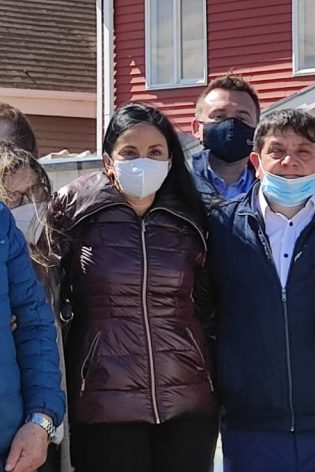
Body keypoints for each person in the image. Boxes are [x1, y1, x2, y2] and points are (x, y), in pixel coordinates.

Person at [207, 108, 315, 472]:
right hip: (250, 426)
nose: (290, 161)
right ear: (256, 162)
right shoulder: (219, 225)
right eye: (277, 151)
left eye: (304, 151)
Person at [48, 103, 217, 472]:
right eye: (130, 152)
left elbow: (209, 304)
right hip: (103, 402)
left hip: (187, 400)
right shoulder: (75, 207)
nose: (143, 161)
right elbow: (46, 289)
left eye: (155, 152)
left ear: (170, 161)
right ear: (108, 160)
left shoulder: (190, 214)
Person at [0, 142, 69, 472]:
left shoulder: (3, 225)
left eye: (35, 192)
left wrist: (41, 419)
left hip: (13, 449)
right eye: (15, 197)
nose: (29, 205)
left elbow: (34, 325)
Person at [190, 75, 260, 203]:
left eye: (242, 118)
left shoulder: (273, 190)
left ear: (258, 131)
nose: (231, 125)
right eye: (219, 116)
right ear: (196, 128)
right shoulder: (176, 184)